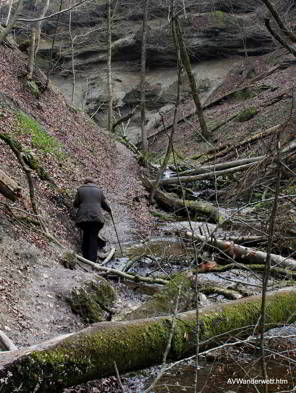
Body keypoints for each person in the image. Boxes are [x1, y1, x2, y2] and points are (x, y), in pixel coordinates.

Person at [73, 178, 112, 262]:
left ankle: (85, 256)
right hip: (97, 217)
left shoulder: (80, 190)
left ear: (85, 183)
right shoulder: (99, 190)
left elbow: (75, 204)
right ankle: (92, 259)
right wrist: (109, 210)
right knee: (93, 236)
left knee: (86, 234)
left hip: (83, 217)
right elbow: (104, 204)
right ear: (93, 182)